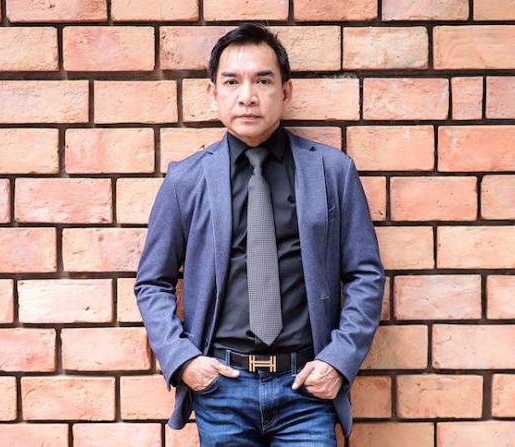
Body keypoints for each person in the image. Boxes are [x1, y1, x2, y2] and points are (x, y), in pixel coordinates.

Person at [134, 22, 385, 446]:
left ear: (285, 91)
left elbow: (365, 275)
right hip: (222, 390)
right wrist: (184, 361)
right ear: (213, 93)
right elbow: (152, 282)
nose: (247, 96)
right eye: (232, 81)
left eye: (263, 81)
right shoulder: (186, 181)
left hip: (306, 390)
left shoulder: (331, 172)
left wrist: (338, 361)